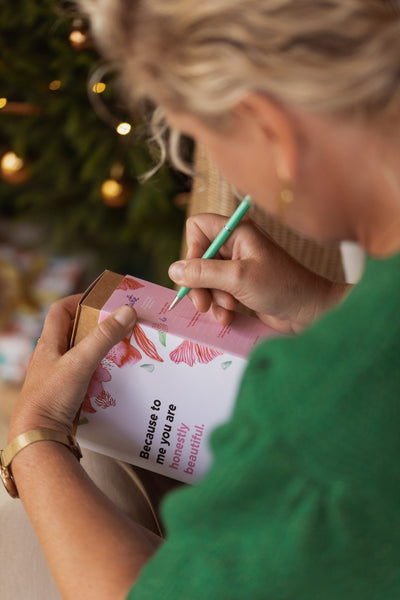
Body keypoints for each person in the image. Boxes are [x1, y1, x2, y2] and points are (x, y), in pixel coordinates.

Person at [2, 0, 400, 598]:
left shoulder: (318, 416)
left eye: (202, 141)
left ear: (270, 128)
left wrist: (34, 437)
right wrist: (323, 302)